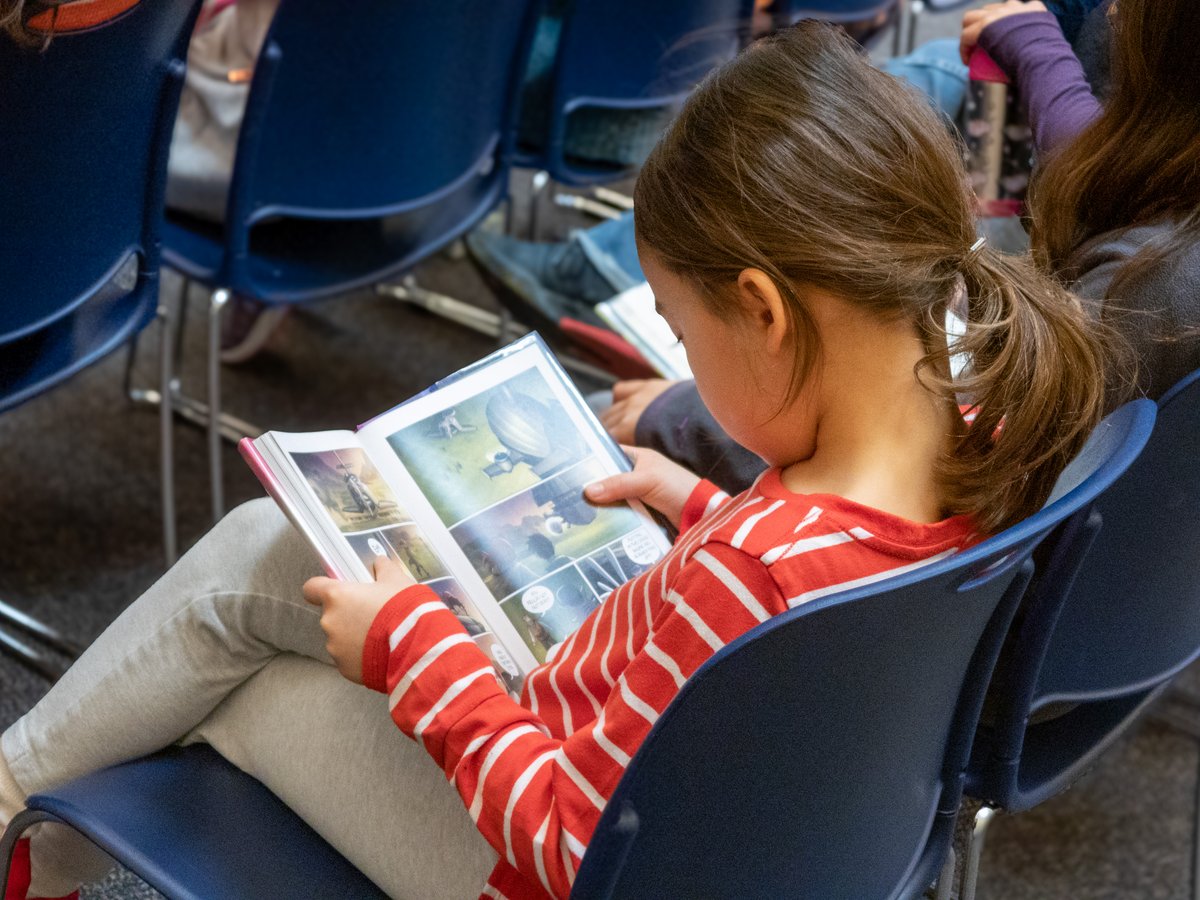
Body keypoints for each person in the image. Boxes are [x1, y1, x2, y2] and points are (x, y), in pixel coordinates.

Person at [0, 22, 1109, 900]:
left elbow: (571, 844)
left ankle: (19, 819)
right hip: (769, 845)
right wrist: (705, 508)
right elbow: (815, 614)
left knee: (235, 686)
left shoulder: (757, 572)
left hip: (551, 858)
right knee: (261, 561)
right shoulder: (980, 428)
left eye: (682, 329)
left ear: (764, 313)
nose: (681, 357)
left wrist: (415, 653)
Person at [593, 0, 1198, 495]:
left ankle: (585, 268)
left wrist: (678, 420)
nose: (1112, 14)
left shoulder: (1147, 297)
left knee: (597, 413)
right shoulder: (996, 411)